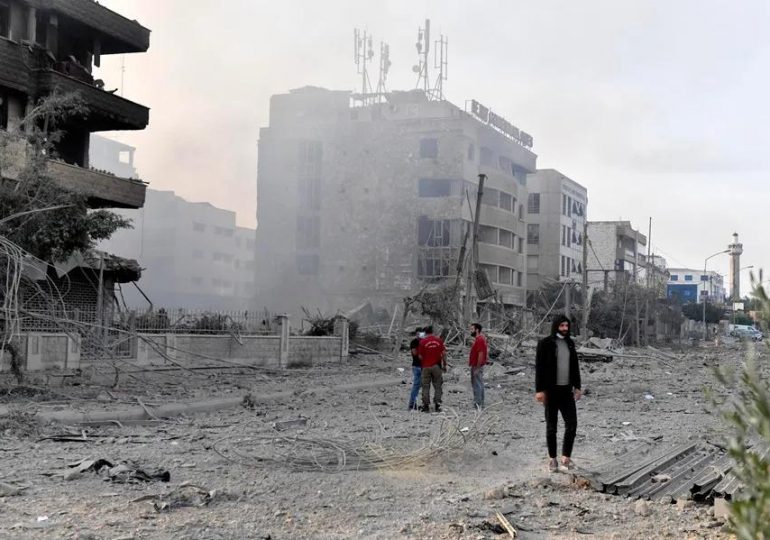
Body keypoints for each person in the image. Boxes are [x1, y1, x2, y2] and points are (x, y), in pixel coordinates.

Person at [535, 314, 582, 473]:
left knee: (572, 424)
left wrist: (577, 386)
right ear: (556, 326)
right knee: (551, 426)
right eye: (562, 326)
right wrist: (539, 390)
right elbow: (539, 368)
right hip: (551, 391)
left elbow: (575, 366)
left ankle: (566, 458)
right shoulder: (545, 344)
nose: (565, 329)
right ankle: (552, 459)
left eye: (566, 326)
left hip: (566, 391)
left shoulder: (569, 344)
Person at [418, 326, 446, 412]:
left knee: (425, 386)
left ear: (425, 333)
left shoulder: (422, 342)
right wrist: (444, 365)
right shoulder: (439, 341)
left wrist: (425, 361)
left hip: (426, 367)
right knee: (438, 386)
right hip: (436, 366)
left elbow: (419, 355)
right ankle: (437, 405)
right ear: (432, 331)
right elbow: (444, 353)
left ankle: (426, 406)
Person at [469, 323, 488, 410]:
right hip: (476, 365)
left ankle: (478, 403)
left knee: (477, 384)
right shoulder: (479, 339)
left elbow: (481, 354)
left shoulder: (479, 339)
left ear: (477, 330)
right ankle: (480, 402)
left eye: (472, 329)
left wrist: (477, 367)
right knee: (479, 383)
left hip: (477, 366)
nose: (470, 331)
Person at [407, 328, 425, 410]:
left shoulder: (425, 342)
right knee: (416, 385)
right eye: (418, 334)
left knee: (422, 385)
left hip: (424, 366)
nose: (419, 335)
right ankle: (412, 404)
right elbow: (414, 353)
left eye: (420, 334)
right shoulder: (414, 342)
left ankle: (420, 403)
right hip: (417, 366)